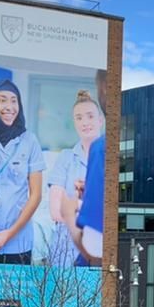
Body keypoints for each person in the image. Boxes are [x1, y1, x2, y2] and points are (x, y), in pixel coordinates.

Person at [0, 70, 45, 265]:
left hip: (19, 242)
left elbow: (36, 195)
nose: (9, 107)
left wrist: (10, 233)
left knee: (17, 286)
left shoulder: (29, 140)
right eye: (2, 100)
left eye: (14, 101)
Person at [45, 89, 107, 266]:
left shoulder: (108, 157)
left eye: (90, 116)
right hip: (66, 251)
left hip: (97, 248)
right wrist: (88, 204)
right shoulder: (65, 158)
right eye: (79, 118)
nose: (85, 122)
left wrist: (76, 205)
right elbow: (56, 211)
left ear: (100, 120)